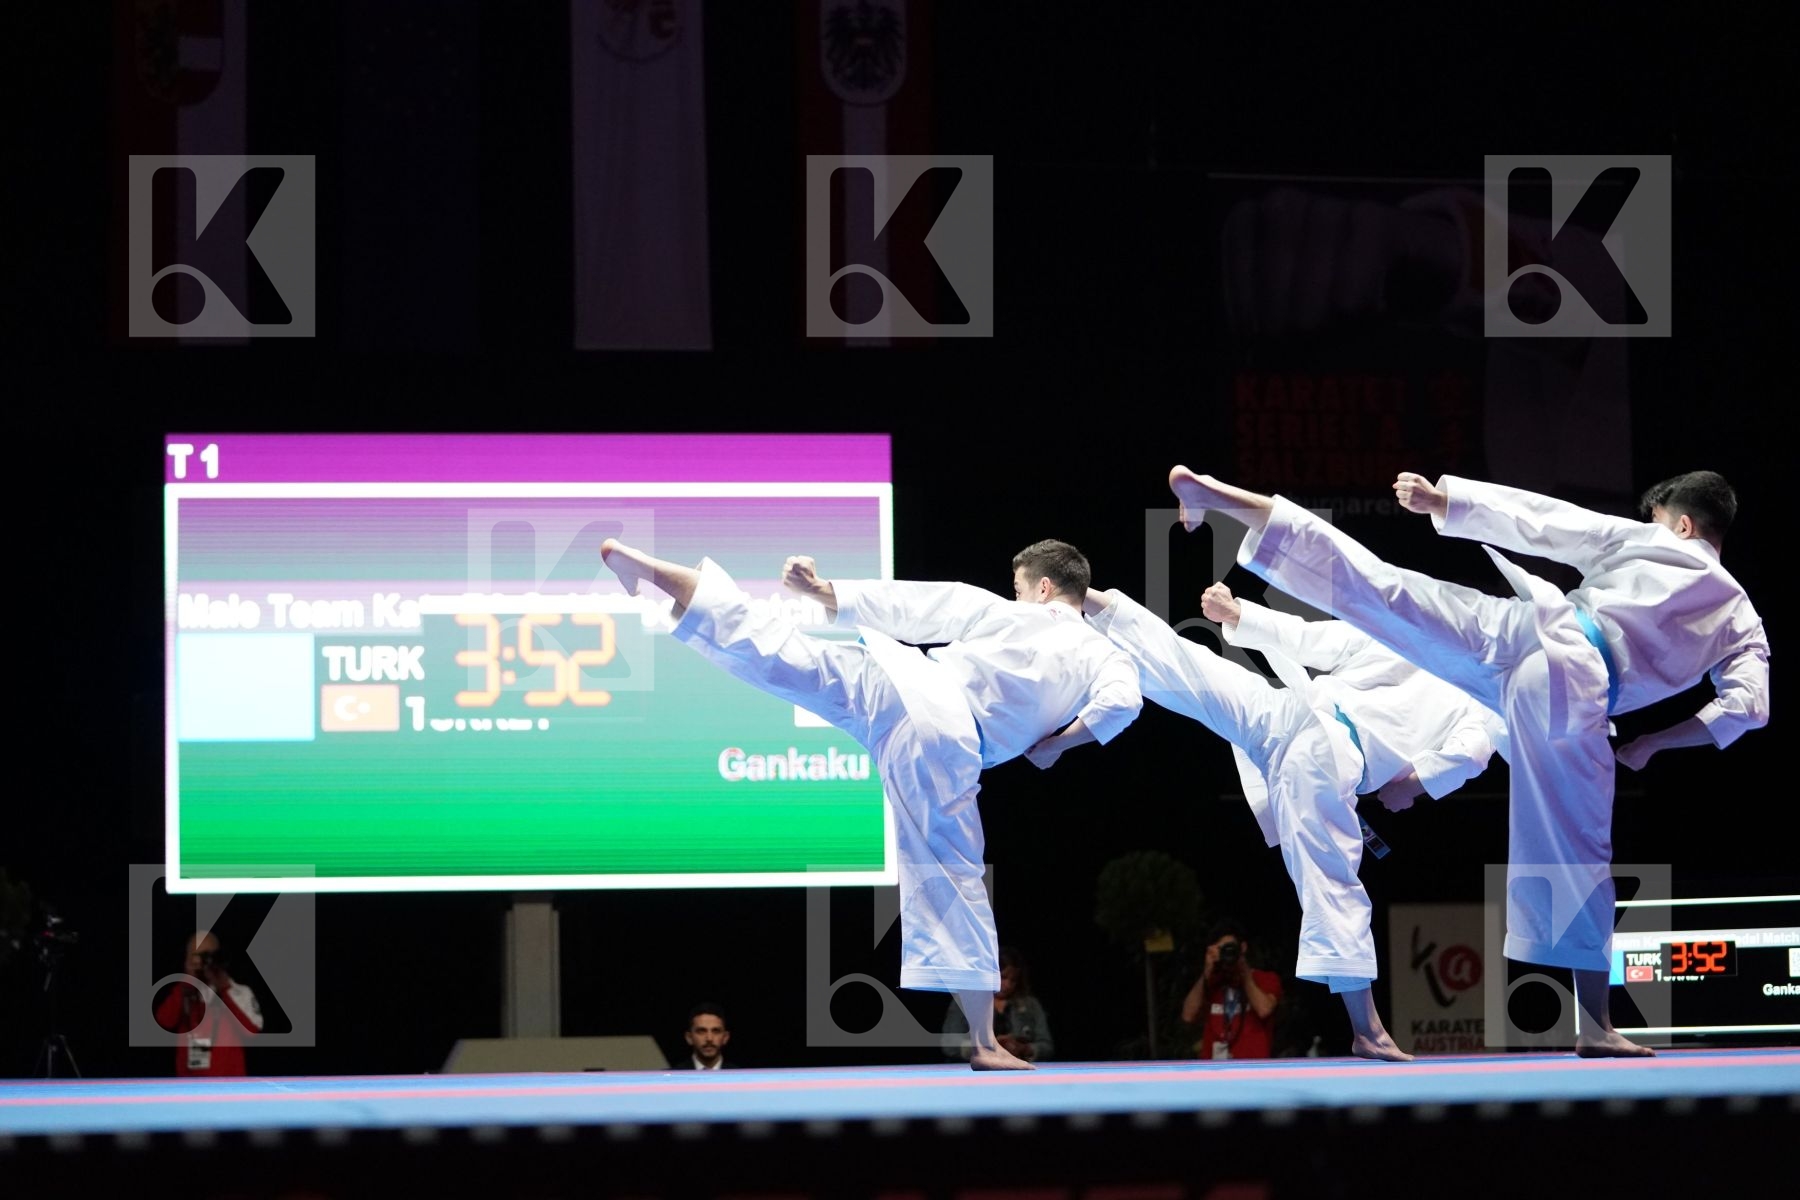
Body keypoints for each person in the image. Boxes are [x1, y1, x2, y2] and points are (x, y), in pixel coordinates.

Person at [1167, 466, 1770, 1057]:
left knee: (1381, 589)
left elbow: (1552, 521)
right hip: (1573, 693)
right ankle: (1594, 1023)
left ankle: (1220, 495)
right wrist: (1653, 742)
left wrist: (1446, 501)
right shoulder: (1742, 619)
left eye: (1661, 520)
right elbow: (1746, 708)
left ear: (1684, 525)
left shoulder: (1653, 544)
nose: (1655, 526)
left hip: (1528, 627)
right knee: (1579, 849)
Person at [599, 537, 1142, 1070]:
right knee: (956, 879)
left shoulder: (999, 612)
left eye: (1020, 588)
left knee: (777, 649)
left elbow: (928, 603)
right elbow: (1123, 703)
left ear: (1044, 587)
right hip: (945, 737)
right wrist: (1056, 744)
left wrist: (822, 590)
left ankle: (648, 569)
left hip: (898, 680)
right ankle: (982, 1041)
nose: (1018, 596)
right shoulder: (1101, 652)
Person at [1084, 580, 1508, 1060]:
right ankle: (1367, 1031)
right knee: (1334, 887)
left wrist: (1240, 614)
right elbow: (1470, 754)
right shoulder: (1483, 698)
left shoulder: (1415, 638)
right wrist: (1411, 783)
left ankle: (1087, 598)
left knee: (1191, 669)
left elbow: (1317, 639)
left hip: (1288, 715)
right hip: (1325, 755)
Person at [151, 930, 264, 1076]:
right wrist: (189, 980)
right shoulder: (184, 992)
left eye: (206, 956)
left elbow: (252, 1033)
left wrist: (224, 989)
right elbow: (164, 1021)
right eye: (194, 955)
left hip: (229, 1087)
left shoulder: (239, 992)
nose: (201, 962)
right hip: (188, 1087)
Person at [1181, 920, 1283, 1060]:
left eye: (1231, 948)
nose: (1227, 954)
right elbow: (1188, 1015)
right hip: (1214, 1072)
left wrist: (1244, 972)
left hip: (1252, 1071)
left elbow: (1264, 1009)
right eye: (1221, 949)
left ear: (1243, 948)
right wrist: (1206, 972)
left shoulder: (1264, 979)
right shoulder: (1211, 983)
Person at [941, 946, 1055, 1063]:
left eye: (1013, 980)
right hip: (971, 1072)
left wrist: (1025, 1048)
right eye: (1003, 977)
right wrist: (990, 1045)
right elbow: (950, 1044)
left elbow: (1046, 1045)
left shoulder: (1030, 1005)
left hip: (1018, 1070)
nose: (1008, 985)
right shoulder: (965, 1001)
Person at [676, 1002, 733, 1069]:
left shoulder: (742, 1077)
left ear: (725, 1037)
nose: (709, 1038)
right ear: (689, 1038)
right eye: (701, 1031)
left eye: (716, 1031)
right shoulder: (669, 1077)